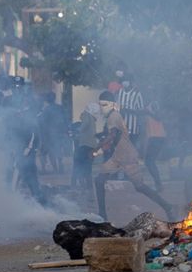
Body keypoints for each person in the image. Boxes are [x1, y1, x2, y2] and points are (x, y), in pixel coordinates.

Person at [93, 91, 174, 221]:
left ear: (111, 104)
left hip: (126, 156)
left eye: (104, 105)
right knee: (99, 181)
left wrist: (96, 148)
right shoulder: (113, 116)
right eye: (100, 105)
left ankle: (167, 206)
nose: (102, 108)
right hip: (120, 155)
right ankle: (102, 214)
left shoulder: (114, 116)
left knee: (139, 186)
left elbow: (112, 135)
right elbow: (112, 134)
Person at [71, 100, 100, 196]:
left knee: (77, 166)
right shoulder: (93, 119)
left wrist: (79, 130)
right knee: (88, 169)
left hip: (84, 146)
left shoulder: (87, 115)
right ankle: (89, 189)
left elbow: (84, 125)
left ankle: (74, 188)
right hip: (92, 147)